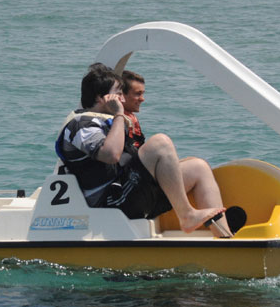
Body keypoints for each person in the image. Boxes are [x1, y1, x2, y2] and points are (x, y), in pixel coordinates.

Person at [56, 63, 232, 237]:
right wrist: (118, 115)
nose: (122, 100)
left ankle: (224, 237)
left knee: (197, 167)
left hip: (128, 193)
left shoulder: (107, 122)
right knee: (160, 143)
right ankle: (187, 215)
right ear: (102, 98)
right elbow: (111, 155)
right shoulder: (81, 126)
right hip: (110, 202)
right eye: (118, 95)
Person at [121, 70, 146, 149]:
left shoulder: (131, 117)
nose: (142, 99)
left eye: (143, 93)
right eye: (138, 94)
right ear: (121, 95)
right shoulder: (116, 120)